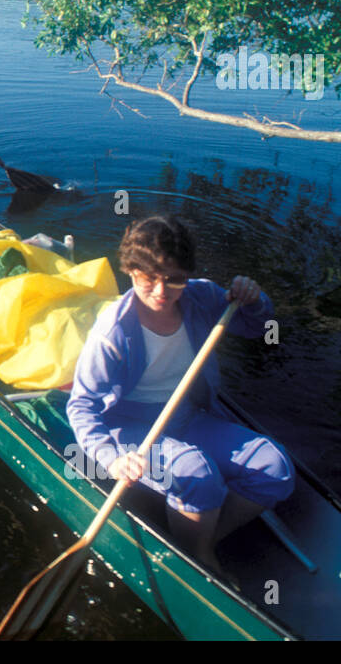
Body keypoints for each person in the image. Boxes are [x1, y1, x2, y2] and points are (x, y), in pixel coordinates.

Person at [65, 215, 293, 580]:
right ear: (129, 271)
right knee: (197, 474)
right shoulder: (111, 333)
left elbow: (256, 327)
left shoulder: (200, 296)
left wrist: (254, 300)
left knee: (274, 467)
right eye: (148, 277)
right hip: (131, 430)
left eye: (174, 278)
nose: (161, 290)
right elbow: (81, 406)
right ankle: (201, 553)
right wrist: (110, 459)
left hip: (189, 416)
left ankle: (199, 540)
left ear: (187, 274)